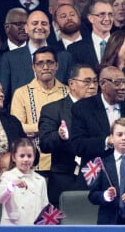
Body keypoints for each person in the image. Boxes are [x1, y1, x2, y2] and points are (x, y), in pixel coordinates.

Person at [39, 64, 98, 206]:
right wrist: (59, 136)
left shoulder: (102, 110)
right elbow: (45, 143)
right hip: (65, 179)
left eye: (95, 81)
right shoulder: (53, 109)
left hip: (96, 178)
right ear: (72, 84)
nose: (92, 86)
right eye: (87, 81)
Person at [70, 66, 125, 168]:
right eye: (117, 83)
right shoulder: (82, 108)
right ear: (103, 84)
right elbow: (78, 145)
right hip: (96, 174)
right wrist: (107, 142)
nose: (123, 87)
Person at [10, 46, 68, 176]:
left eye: (50, 62)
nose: (45, 67)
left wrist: (35, 130)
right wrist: (49, 129)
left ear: (57, 65)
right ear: (33, 68)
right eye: (40, 63)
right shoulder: (22, 93)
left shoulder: (68, 92)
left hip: (63, 164)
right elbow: (16, 127)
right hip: (32, 163)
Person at [0, 138, 48, 225]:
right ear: (14, 157)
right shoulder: (8, 176)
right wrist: (11, 186)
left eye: (29, 156)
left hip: (33, 227)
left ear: (34, 157)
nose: (26, 159)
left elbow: (44, 206)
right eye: (22, 156)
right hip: (12, 226)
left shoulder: (40, 180)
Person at [68, 0, 113, 69]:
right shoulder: (76, 49)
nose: (107, 19)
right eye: (102, 14)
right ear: (90, 18)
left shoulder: (122, 45)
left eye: (110, 14)